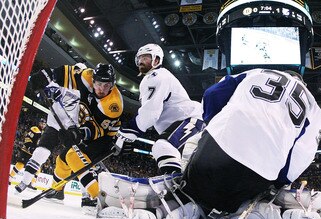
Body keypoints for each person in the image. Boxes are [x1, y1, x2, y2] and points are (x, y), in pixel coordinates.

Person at [94, 0, 321, 219]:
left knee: (192, 184)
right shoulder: (315, 110)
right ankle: (268, 209)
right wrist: (275, 184)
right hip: (261, 172)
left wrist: (215, 129)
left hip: (216, 153)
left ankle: (178, 205)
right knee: (239, 198)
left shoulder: (256, 73)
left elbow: (213, 94)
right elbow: (301, 156)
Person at [15, 63, 123, 207]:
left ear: (113, 84)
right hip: (84, 126)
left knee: (73, 156)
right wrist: (47, 75)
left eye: (106, 85)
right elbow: (67, 72)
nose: (102, 89)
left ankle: (97, 197)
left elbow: (98, 129)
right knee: (62, 160)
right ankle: (58, 190)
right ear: (93, 79)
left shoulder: (113, 104)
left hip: (105, 138)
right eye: (98, 83)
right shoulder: (87, 76)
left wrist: (79, 134)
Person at [116, 43, 203, 174]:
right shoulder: (154, 78)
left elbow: (150, 115)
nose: (140, 61)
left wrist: (127, 131)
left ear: (156, 60)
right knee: (184, 165)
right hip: (187, 122)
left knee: (162, 146)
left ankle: (171, 187)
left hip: (190, 120)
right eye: (139, 58)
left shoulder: (157, 76)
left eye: (145, 58)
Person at [9, 118, 47, 189]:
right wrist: (29, 147)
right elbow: (28, 138)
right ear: (39, 123)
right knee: (20, 164)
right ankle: (10, 177)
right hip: (27, 151)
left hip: (35, 153)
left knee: (37, 169)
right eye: (42, 123)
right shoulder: (34, 129)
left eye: (44, 124)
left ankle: (32, 183)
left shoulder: (43, 133)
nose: (42, 125)